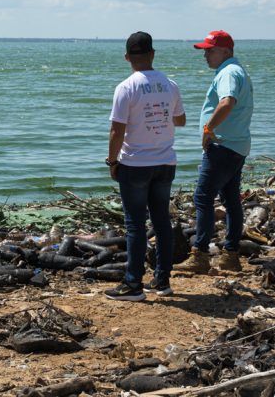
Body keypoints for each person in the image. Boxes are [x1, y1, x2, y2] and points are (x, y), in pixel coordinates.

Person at [104, 31, 186, 302]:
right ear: (152, 54)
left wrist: (112, 161)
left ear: (127, 57)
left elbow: (117, 130)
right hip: (165, 161)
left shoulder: (126, 87)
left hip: (136, 163)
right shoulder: (170, 84)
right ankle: (162, 280)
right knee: (162, 221)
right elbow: (181, 120)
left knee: (135, 225)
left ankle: (133, 284)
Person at [175, 30, 254, 274]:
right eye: (205, 50)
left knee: (202, 197)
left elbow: (226, 102)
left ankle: (199, 255)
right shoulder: (237, 70)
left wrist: (209, 128)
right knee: (231, 199)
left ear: (226, 51)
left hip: (224, 145)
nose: (206, 55)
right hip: (237, 144)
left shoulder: (228, 72)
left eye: (211, 50)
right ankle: (230, 255)